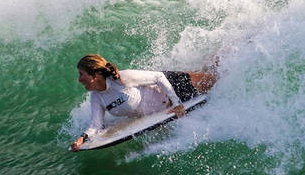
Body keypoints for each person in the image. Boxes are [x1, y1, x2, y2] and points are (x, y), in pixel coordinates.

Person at [70, 54, 217, 151]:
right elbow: (96, 125)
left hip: (174, 86)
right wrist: (82, 139)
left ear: (95, 75)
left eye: (81, 74)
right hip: (164, 105)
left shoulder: (122, 79)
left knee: (215, 78)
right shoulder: (96, 97)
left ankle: (225, 52)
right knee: (207, 73)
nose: (79, 79)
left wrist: (177, 104)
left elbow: (159, 77)